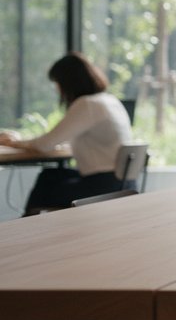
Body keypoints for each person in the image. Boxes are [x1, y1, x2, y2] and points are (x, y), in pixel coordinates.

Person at [0, 52, 133, 215]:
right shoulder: (108, 100)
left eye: (57, 82)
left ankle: (25, 226)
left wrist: (14, 142)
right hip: (123, 183)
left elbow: (45, 144)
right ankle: (28, 225)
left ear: (68, 82)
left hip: (102, 187)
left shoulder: (87, 104)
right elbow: (64, 139)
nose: (57, 89)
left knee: (45, 186)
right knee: (50, 176)